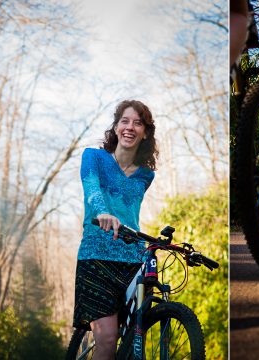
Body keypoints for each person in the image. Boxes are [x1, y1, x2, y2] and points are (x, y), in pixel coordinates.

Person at [73, 99, 159, 359]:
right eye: (125, 121)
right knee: (108, 339)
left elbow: (131, 216)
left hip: (133, 257)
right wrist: (102, 212)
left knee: (134, 336)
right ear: (116, 127)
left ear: (145, 132)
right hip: (97, 255)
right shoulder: (93, 158)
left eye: (138, 123)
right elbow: (92, 190)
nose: (130, 127)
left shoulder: (146, 175)